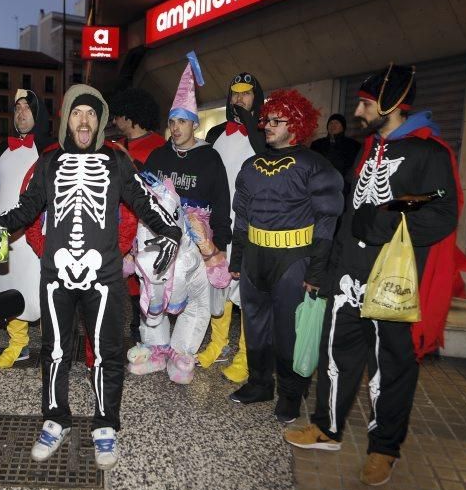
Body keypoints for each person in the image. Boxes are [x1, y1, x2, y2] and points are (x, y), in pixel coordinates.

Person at [0, 84, 181, 471]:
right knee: (54, 351)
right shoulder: (49, 162)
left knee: (107, 353)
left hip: (104, 277)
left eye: (92, 113)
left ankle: (105, 424)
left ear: (100, 120)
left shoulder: (116, 161)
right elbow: (27, 208)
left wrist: (171, 230)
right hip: (56, 275)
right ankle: (55, 417)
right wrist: (1, 227)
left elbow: (144, 202)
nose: (85, 119)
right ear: (67, 120)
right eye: (78, 112)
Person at [284, 64, 462, 486]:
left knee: (391, 365)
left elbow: (439, 205)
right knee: (336, 354)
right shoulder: (369, 149)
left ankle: (385, 448)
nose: (358, 111)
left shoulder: (429, 153)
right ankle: (327, 428)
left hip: (392, 280)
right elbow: (350, 213)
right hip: (349, 275)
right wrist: (328, 267)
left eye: (366, 103)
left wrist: (388, 217)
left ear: (392, 104)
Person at [228, 88, 343, 423]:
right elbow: (242, 215)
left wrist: (317, 271)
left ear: (295, 123)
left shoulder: (315, 165)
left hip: (294, 261)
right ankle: (260, 384)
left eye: (275, 121)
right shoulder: (250, 166)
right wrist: (237, 262)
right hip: (254, 260)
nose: (266, 126)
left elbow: (327, 220)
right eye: (266, 120)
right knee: (254, 326)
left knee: (289, 331)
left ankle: (291, 396)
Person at [134, 51, 232, 382]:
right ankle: (156, 347)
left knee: (199, 302)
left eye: (182, 122)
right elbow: (140, 197)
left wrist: (219, 246)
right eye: (172, 122)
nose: (175, 128)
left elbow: (221, 201)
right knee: (153, 293)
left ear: (194, 124)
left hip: (197, 244)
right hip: (159, 239)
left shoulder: (210, 159)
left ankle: (183, 353)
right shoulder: (158, 155)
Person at [196, 72, 266, 382]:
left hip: (250, 226)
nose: (239, 99)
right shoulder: (214, 134)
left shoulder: (263, 134)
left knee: (249, 292)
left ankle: (245, 356)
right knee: (217, 285)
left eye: (246, 94)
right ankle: (217, 344)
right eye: (234, 93)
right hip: (218, 224)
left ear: (256, 98)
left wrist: (252, 123)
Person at [0, 89, 52, 368]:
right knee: (6, 284)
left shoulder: (50, 149)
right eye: (17, 108)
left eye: (27, 107)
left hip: (33, 234)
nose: (21, 113)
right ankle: (18, 345)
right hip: (1, 232)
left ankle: (53, 348)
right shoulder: (2, 149)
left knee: (41, 290)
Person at [108, 87, 166, 342]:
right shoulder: (115, 146)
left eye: (117, 115)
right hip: (119, 222)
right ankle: (133, 327)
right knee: (127, 281)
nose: (113, 121)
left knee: (148, 277)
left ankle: (149, 331)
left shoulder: (159, 146)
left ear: (129, 116)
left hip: (147, 223)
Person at [310, 113, 361, 180]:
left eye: (337, 123)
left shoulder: (353, 145)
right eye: (331, 123)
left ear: (343, 127)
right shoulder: (317, 144)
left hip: (343, 185)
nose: (333, 125)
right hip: (320, 184)